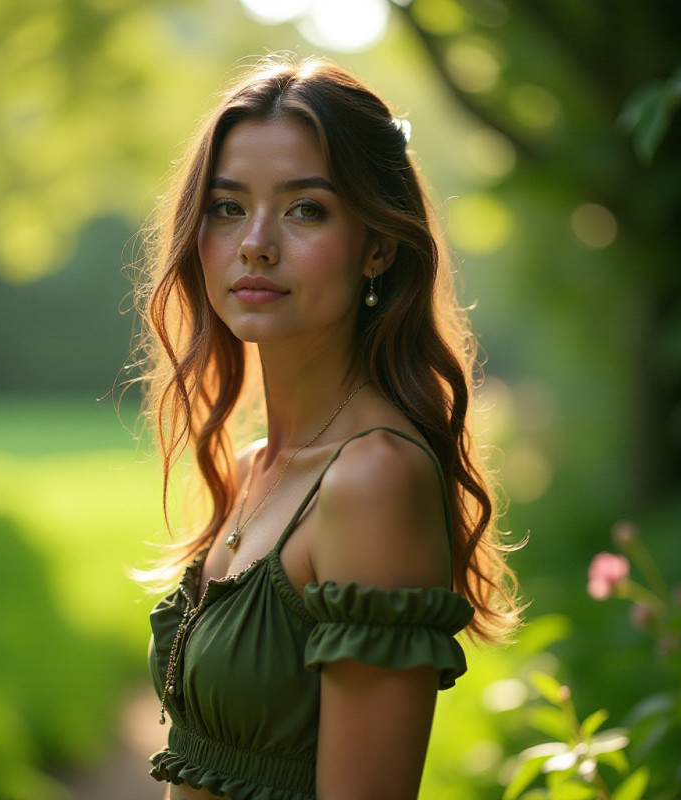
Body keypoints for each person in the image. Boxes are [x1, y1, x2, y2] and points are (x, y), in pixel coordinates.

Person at [135, 55, 521, 800]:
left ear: (377, 244)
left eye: (305, 209)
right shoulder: (254, 468)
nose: (256, 242)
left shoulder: (373, 479)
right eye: (226, 207)